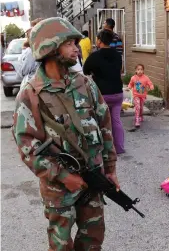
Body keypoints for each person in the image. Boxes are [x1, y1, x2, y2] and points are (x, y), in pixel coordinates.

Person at [12, 17, 119, 250]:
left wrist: (110, 169)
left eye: (75, 43)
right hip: (58, 190)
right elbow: (27, 148)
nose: (76, 48)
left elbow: (104, 126)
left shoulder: (86, 84)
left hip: (92, 181)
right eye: (69, 43)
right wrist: (64, 177)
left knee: (93, 241)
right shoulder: (31, 95)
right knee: (61, 246)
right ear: (50, 48)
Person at [83, 29, 125, 154]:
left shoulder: (95, 56)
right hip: (118, 93)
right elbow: (120, 69)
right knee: (116, 120)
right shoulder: (117, 55)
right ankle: (119, 147)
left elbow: (85, 71)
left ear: (99, 41)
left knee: (101, 122)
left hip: (102, 95)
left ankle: (103, 149)